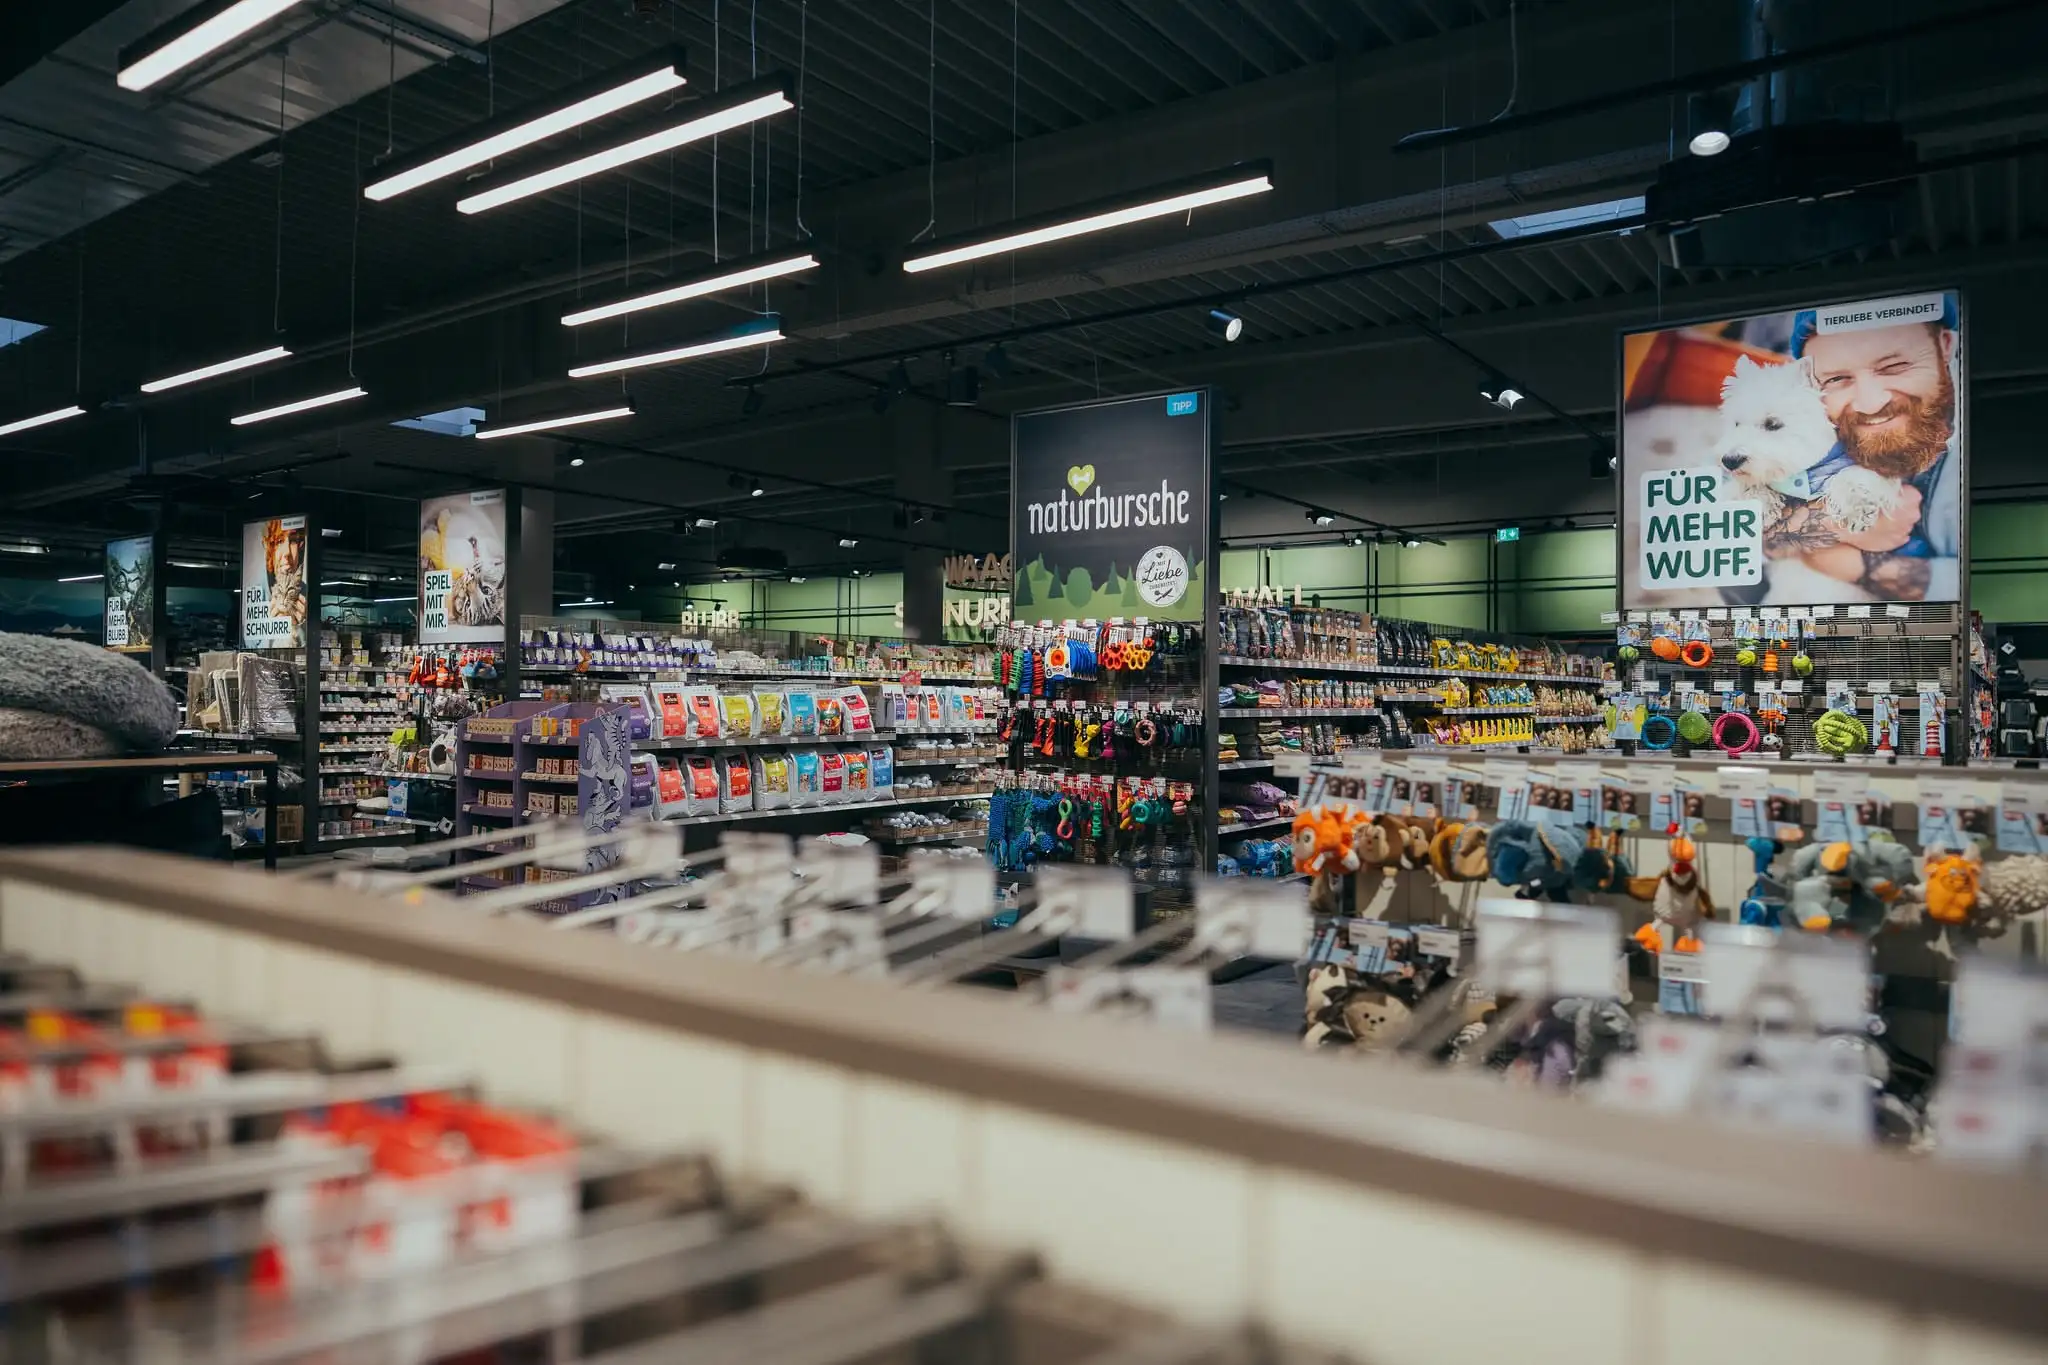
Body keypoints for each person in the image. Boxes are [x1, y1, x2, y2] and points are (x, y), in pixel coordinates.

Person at [1765, 300, 1961, 600]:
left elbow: (1979, 588)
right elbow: (1732, 524)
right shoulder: (1803, 417)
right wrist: (1836, 523)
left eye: (1894, 367)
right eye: (1836, 379)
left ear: (1945, 345)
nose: (1869, 403)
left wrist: (1853, 566)